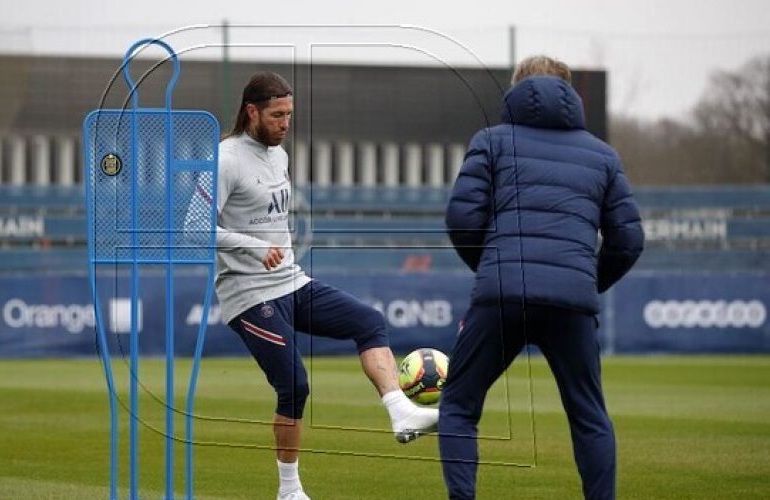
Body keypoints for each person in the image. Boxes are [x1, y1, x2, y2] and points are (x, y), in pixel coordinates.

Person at [200, 71, 438, 500]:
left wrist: (272, 251)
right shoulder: (224, 158)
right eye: (276, 115)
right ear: (251, 111)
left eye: (289, 114)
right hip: (248, 295)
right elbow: (194, 228)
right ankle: (288, 492)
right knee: (295, 384)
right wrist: (254, 247)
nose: (285, 123)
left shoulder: (279, 156)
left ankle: (401, 412)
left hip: (292, 282)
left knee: (369, 322)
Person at [438, 55, 644, 500]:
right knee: (589, 416)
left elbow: (460, 218)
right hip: (572, 301)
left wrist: (494, 268)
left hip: (502, 294)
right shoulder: (603, 155)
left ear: (514, 89)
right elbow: (628, 241)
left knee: (459, 404)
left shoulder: (491, 142)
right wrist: (584, 279)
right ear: (571, 94)